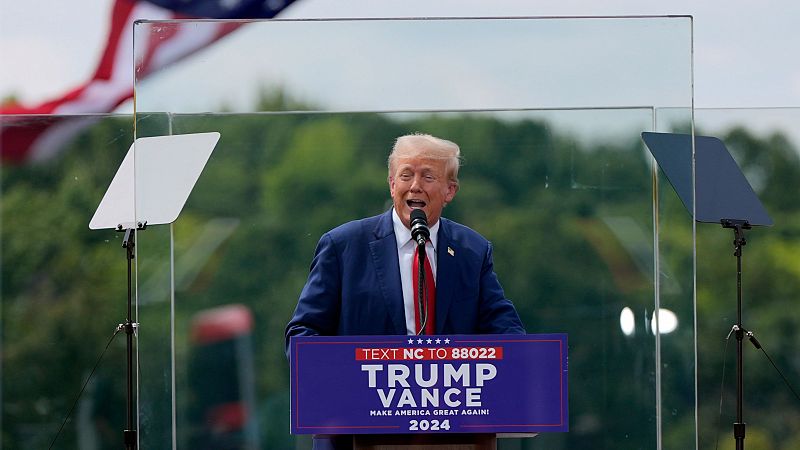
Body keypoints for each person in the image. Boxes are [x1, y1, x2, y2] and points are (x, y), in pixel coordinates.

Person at [284, 133, 525, 450]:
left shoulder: (472, 250)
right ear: (391, 183)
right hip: (353, 437)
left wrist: (511, 362)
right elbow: (303, 332)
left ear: (449, 190)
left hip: (454, 436)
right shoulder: (344, 246)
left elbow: (506, 330)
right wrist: (346, 380)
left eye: (428, 176)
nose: (415, 186)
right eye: (406, 174)